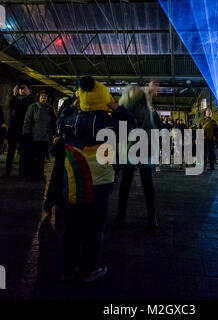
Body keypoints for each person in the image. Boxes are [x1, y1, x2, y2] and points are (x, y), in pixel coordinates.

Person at [57, 76, 136, 282]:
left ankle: (67, 268)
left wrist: (73, 105)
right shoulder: (110, 125)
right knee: (94, 227)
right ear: (104, 99)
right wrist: (116, 107)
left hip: (74, 182)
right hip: (99, 184)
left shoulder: (71, 121)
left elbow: (59, 120)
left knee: (72, 226)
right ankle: (88, 269)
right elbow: (131, 124)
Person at [116, 85, 157, 227]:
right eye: (133, 90)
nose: (136, 91)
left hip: (136, 148)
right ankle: (150, 217)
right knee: (136, 182)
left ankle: (124, 215)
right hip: (133, 148)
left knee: (134, 183)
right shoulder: (131, 105)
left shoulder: (143, 107)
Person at [1, 83, 34, 178]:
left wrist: (29, 95)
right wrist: (14, 95)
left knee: (23, 152)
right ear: (18, 90)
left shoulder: (29, 100)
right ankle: (7, 172)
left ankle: (21, 173)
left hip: (24, 129)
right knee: (10, 152)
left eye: (25, 88)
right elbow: (11, 106)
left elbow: (30, 106)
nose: (23, 90)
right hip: (14, 129)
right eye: (21, 88)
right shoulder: (15, 99)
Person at [22, 90, 56, 180]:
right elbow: (27, 121)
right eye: (42, 95)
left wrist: (54, 134)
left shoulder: (50, 108)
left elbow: (53, 122)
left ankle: (39, 175)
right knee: (32, 157)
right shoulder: (33, 107)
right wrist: (26, 133)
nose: (43, 97)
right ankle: (30, 175)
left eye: (45, 96)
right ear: (38, 97)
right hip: (34, 136)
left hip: (45, 137)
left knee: (41, 158)